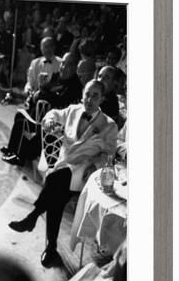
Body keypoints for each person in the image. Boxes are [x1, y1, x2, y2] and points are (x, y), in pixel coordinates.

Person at [8, 80, 118, 267]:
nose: (89, 100)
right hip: (63, 165)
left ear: (102, 99)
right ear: (82, 93)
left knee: (55, 183)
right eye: (87, 94)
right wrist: (50, 120)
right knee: (57, 191)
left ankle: (33, 218)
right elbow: (53, 114)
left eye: (95, 96)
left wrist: (93, 166)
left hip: (85, 173)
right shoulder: (73, 110)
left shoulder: (109, 125)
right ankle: (48, 245)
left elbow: (109, 154)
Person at [1, 52, 82, 166]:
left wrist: (45, 92)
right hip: (39, 115)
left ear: (75, 68)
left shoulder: (76, 86)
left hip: (53, 125)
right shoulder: (56, 76)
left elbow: (59, 101)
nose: (64, 67)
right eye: (63, 63)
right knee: (20, 116)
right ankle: (12, 149)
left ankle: (19, 157)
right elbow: (41, 93)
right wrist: (42, 88)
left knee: (22, 123)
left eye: (68, 65)